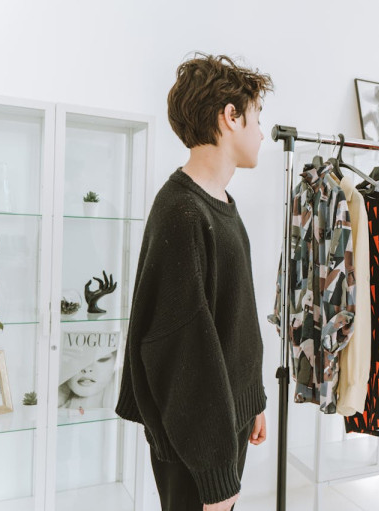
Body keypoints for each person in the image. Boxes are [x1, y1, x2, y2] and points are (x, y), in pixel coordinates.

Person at [115, 53, 272, 511]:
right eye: (257, 118)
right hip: (194, 440)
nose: (261, 132)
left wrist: (252, 399)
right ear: (230, 117)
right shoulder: (182, 213)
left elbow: (235, 317)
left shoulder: (219, 202)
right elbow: (180, 351)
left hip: (221, 424)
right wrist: (216, 476)